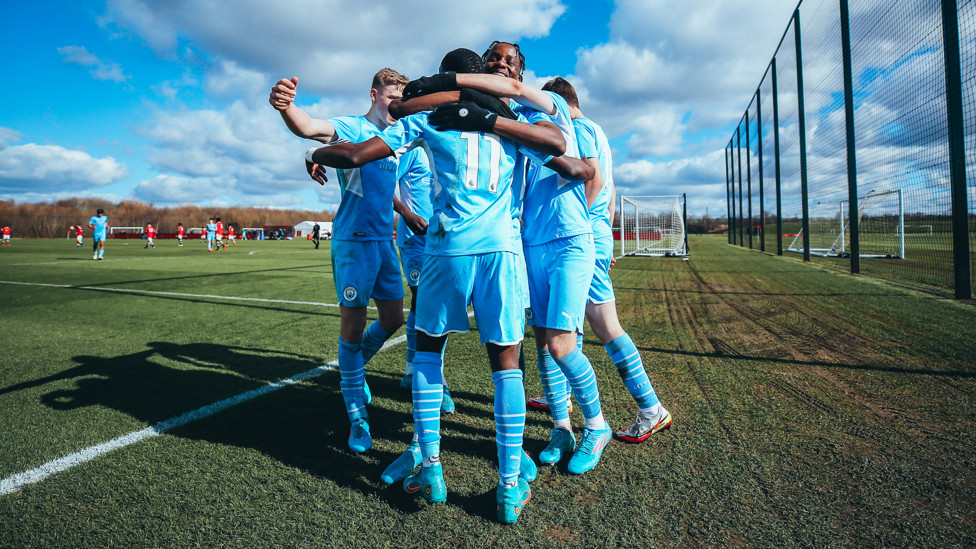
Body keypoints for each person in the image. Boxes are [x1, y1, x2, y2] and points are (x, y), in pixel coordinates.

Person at [305, 48, 592, 524]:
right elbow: (560, 144)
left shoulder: (429, 119)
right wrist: (492, 122)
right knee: (506, 364)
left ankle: (432, 470)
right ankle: (506, 487)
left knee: (426, 354)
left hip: (445, 249)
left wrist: (314, 154)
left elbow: (357, 154)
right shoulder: (511, 117)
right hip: (501, 250)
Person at [401, 42, 614, 475]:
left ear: (521, 73)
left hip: (569, 240)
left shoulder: (546, 111)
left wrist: (594, 225)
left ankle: (597, 424)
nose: (501, 65)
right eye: (493, 60)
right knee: (539, 342)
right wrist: (472, 108)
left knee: (560, 343)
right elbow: (415, 109)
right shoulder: (504, 122)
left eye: (510, 62)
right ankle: (560, 427)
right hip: (522, 244)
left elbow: (585, 171)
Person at [269, 68, 410, 455]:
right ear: (373, 94)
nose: (396, 106)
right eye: (390, 98)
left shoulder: (398, 136)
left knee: (393, 319)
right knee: (351, 327)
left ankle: (351, 369)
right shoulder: (351, 126)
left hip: (385, 242)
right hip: (353, 243)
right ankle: (357, 414)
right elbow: (308, 127)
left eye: (402, 100)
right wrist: (287, 107)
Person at [539, 77, 672, 442]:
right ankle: (562, 396)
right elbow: (611, 191)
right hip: (597, 230)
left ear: (558, 103)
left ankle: (650, 407)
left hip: (580, 231)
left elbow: (593, 180)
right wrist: (604, 235)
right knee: (575, 323)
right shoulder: (598, 129)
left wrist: (580, 227)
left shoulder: (578, 127)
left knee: (600, 324)